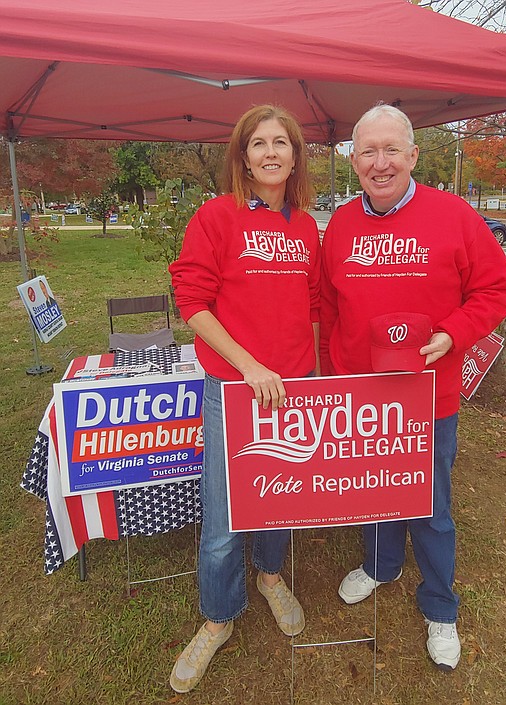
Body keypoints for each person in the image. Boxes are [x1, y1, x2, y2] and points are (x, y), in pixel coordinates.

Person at [319, 104, 506, 671]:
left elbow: (496, 290)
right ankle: (381, 565)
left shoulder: (453, 215)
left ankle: (439, 606)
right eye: (367, 152)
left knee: (431, 505)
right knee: (373, 490)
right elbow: (330, 306)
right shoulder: (340, 225)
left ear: (413, 156)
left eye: (391, 151)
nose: (379, 164)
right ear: (353, 159)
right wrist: (334, 375)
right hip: (360, 397)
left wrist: (452, 335)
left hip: (426, 396)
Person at [168, 105, 320, 693]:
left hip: (293, 387)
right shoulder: (216, 217)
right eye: (259, 143)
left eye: (282, 142)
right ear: (243, 155)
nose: (272, 153)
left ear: (295, 156)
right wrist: (250, 366)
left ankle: (271, 575)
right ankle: (218, 616)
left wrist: (311, 374)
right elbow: (193, 305)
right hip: (233, 386)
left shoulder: (305, 226)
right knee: (225, 510)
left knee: (278, 494)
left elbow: (311, 308)